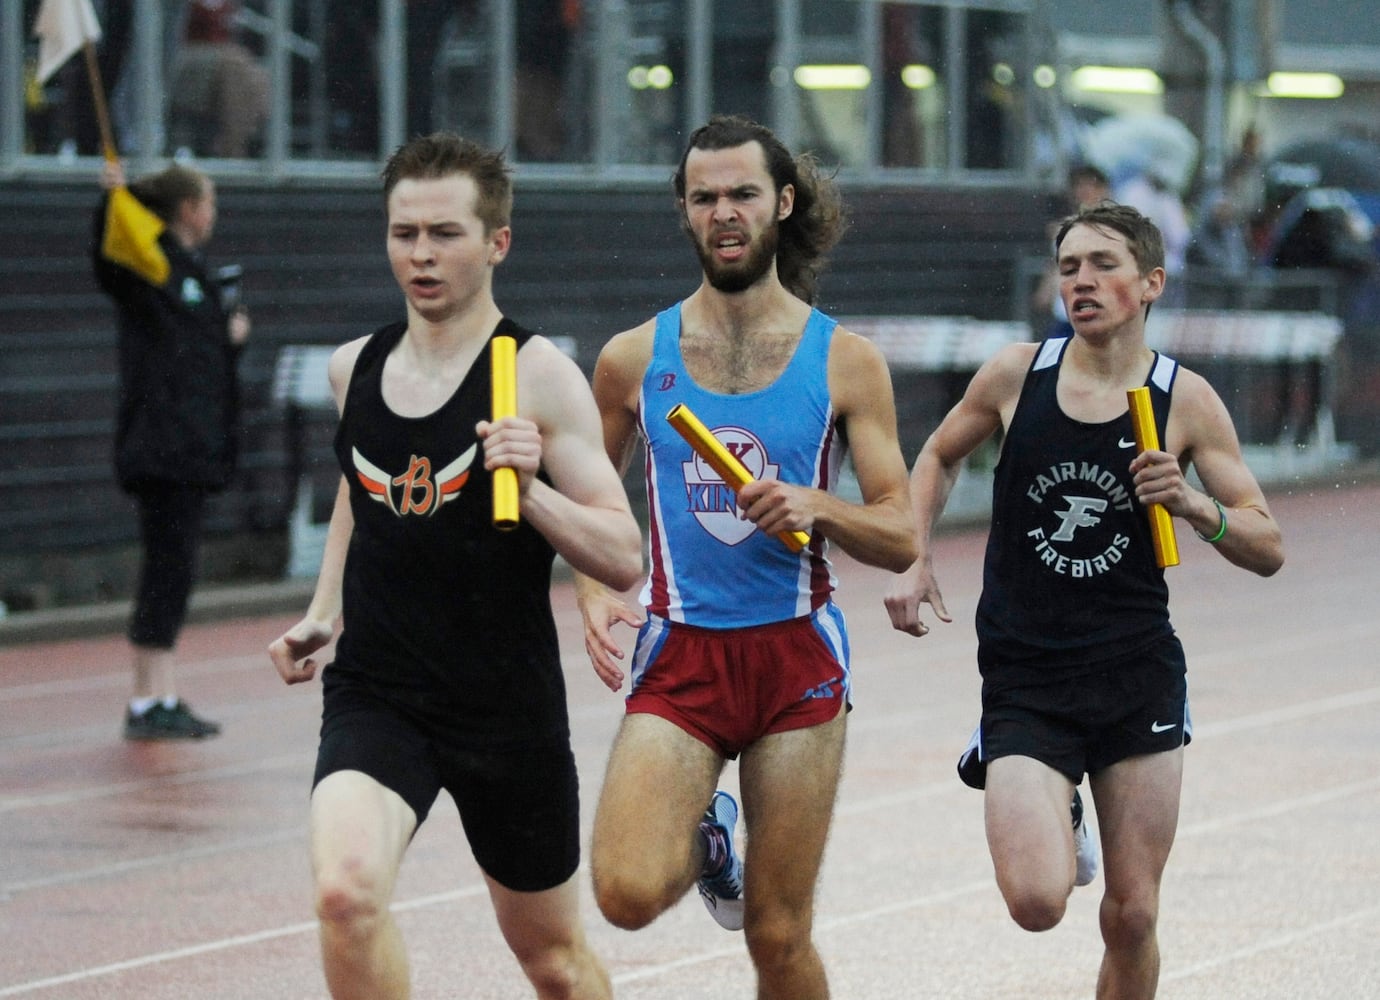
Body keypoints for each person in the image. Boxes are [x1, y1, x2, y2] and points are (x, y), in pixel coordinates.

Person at [266, 133, 641, 1000]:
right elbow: (361, 488)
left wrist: (534, 490)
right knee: (344, 893)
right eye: (405, 235)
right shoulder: (351, 368)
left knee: (552, 962)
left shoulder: (537, 377)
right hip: (380, 691)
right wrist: (325, 609)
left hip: (503, 705)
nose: (422, 256)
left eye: (445, 234)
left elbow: (624, 556)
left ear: (497, 242)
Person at [884, 202, 1284, 1000]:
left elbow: (1267, 546)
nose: (1082, 281)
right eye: (1069, 268)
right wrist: (913, 554)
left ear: (1150, 284)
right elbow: (935, 454)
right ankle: (1057, 806)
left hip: (1135, 675)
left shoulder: (1185, 400)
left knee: (1131, 915)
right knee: (1036, 902)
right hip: (1027, 676)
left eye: (1102, 264)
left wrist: (1196, 507)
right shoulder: (1016, 375)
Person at [576, 115, 918, 1000]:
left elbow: (901, 531)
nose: (724, 212)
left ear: (783, 204)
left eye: (742, 195)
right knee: (623, 893)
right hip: (681, 652)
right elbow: (582, 483)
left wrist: (819, 506)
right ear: (685, 213)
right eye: (705, 197)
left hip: (795, 658)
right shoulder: (628, 360)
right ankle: (708, 839)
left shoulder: (845, 360)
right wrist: (590, 583)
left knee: (777, 933)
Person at [92, 157, 250, 741]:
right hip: (163, 448)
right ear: (187, 208)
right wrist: (111, 201)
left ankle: (160, 694)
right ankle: (145, 699)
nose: (213, 213)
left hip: (187, 450)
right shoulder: (151, 263)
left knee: (175, 569)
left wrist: (230, 338)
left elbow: (196, 360)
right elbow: (113, 262)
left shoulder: (190, 272)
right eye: (208, 201)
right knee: (166, 569)